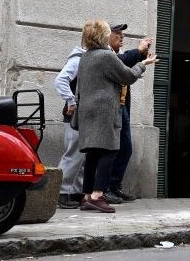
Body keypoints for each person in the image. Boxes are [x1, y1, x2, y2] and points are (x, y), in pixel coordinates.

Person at [74, 19, 157, 213]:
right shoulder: (106, 56)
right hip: (104, 112)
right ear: (102, 36)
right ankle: (97, 195)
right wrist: (143, 63)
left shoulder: (85, 57)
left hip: (88, 111)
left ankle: (87, 197)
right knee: (110, 151)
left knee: (93, 153)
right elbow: (127, 76)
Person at [105, 24, 152, 204]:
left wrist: (140, 56)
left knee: (125, 148)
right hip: (111, 108)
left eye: (122, 34)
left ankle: (114, 187)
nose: (121, 37)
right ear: (106, 36)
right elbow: (123, 64)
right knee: (110, 150)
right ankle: (105, 189)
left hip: (121, 107)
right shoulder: (106, 54)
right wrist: (140, 54)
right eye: (117, 34)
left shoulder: (116, 55)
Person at [55, 42, 87, 209]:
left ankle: (74, 192)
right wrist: (71, 101)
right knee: (73, 155)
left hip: (81, 116)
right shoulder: (78, 59)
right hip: (74, 116)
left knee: (81, 156)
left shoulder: (85, 58)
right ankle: (60, 193)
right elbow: (60, 80)